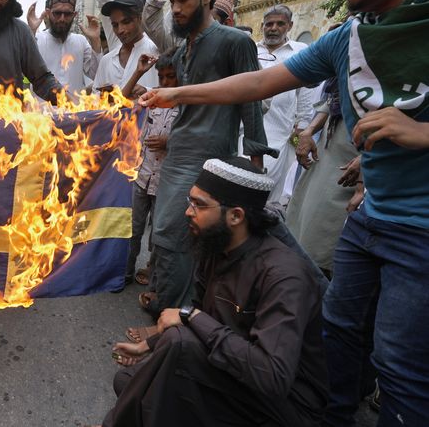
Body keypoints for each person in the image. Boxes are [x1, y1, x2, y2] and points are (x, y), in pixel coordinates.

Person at [139, 0, 429, 422]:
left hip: (420, 232)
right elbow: (259, 83)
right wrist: (178, 94)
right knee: (339, 327)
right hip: (370, 217)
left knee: (401, 363)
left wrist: (423, 132)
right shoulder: (349, 36)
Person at [101, 157, 327, 427]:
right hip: (234, 374)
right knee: (127, 381)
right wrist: (147, 346)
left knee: (175, 352)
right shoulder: (216, 248)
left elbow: (272, 377)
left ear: (236, 215)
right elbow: (200, 320)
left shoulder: (283, 275)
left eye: (199, 205)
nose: (188, 212)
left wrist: (190, 315)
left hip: (285, 405)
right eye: (190, 201)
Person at [143, 0, 272, 317]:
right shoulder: (183, 48)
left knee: (174, 232)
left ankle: (174, 318)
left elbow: (250, 98)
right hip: (177, 153)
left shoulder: (234, 42)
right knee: (170, 235)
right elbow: (150, 21)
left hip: (208, 156)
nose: (177, 9)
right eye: (172, 2)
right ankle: (174, 305)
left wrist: (255, 164)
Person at [286, 73, 362, 279]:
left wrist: (369, 158)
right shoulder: (352, 49)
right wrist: (309, 130)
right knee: (303, 228)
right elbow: (335, 99)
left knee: (332, 245)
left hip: (360, 161)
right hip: (329, 150)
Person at [120, 51, 179, 289]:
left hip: (166, 180)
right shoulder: (151, 96)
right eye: (161, 77)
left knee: (159, 232)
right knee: (133, 227)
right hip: (142, 175)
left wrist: (169, 141)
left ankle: (153, 273)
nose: (165, 83)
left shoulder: (188, 105)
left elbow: (193, 138)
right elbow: (123, 102)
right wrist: (138, 72)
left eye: (171, 77)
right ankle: (125, 270)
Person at [255, 4, 311, 205]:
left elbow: (306, 93)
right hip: (244, 131)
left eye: (280, 24)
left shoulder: (300, 52)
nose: (273, 28)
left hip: (278, 134)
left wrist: (303, 126)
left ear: (290, 26)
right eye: (269, 24)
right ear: (262, 26)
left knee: (264, 189)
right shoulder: (252, 50)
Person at [27, 0, 102, 95]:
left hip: (73, 109)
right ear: (48, 13)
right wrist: (31, 32)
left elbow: (95, 75)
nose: (62, 19)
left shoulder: (80, 41)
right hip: (41, 110)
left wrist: (95, 40)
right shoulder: (37, 39)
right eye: (57, 13)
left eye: (67, 14)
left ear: (74, 15)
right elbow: (26, 67)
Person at [93, 0, 159, 95]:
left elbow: (171, 93)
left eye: (126, 22)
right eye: (115, 25)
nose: (120, 30)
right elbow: (94, 100)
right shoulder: (106, 61)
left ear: (140, 18)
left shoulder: (156, 51)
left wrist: (148, 91)